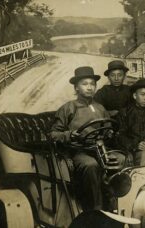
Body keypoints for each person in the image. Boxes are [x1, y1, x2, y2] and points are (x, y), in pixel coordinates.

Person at [50, 66, 109, 211]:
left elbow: (108, 128)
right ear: (76, 88)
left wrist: (108, 134)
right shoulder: (69, 108)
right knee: (90, 165)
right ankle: (95, 211)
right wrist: (69, 134)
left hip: (100, 149)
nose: (89, 87)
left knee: (121, 160)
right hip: (78, 152)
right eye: (85, 84)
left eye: (92, 84)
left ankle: (116, 205)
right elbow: (53, 134)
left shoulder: (100, 108)